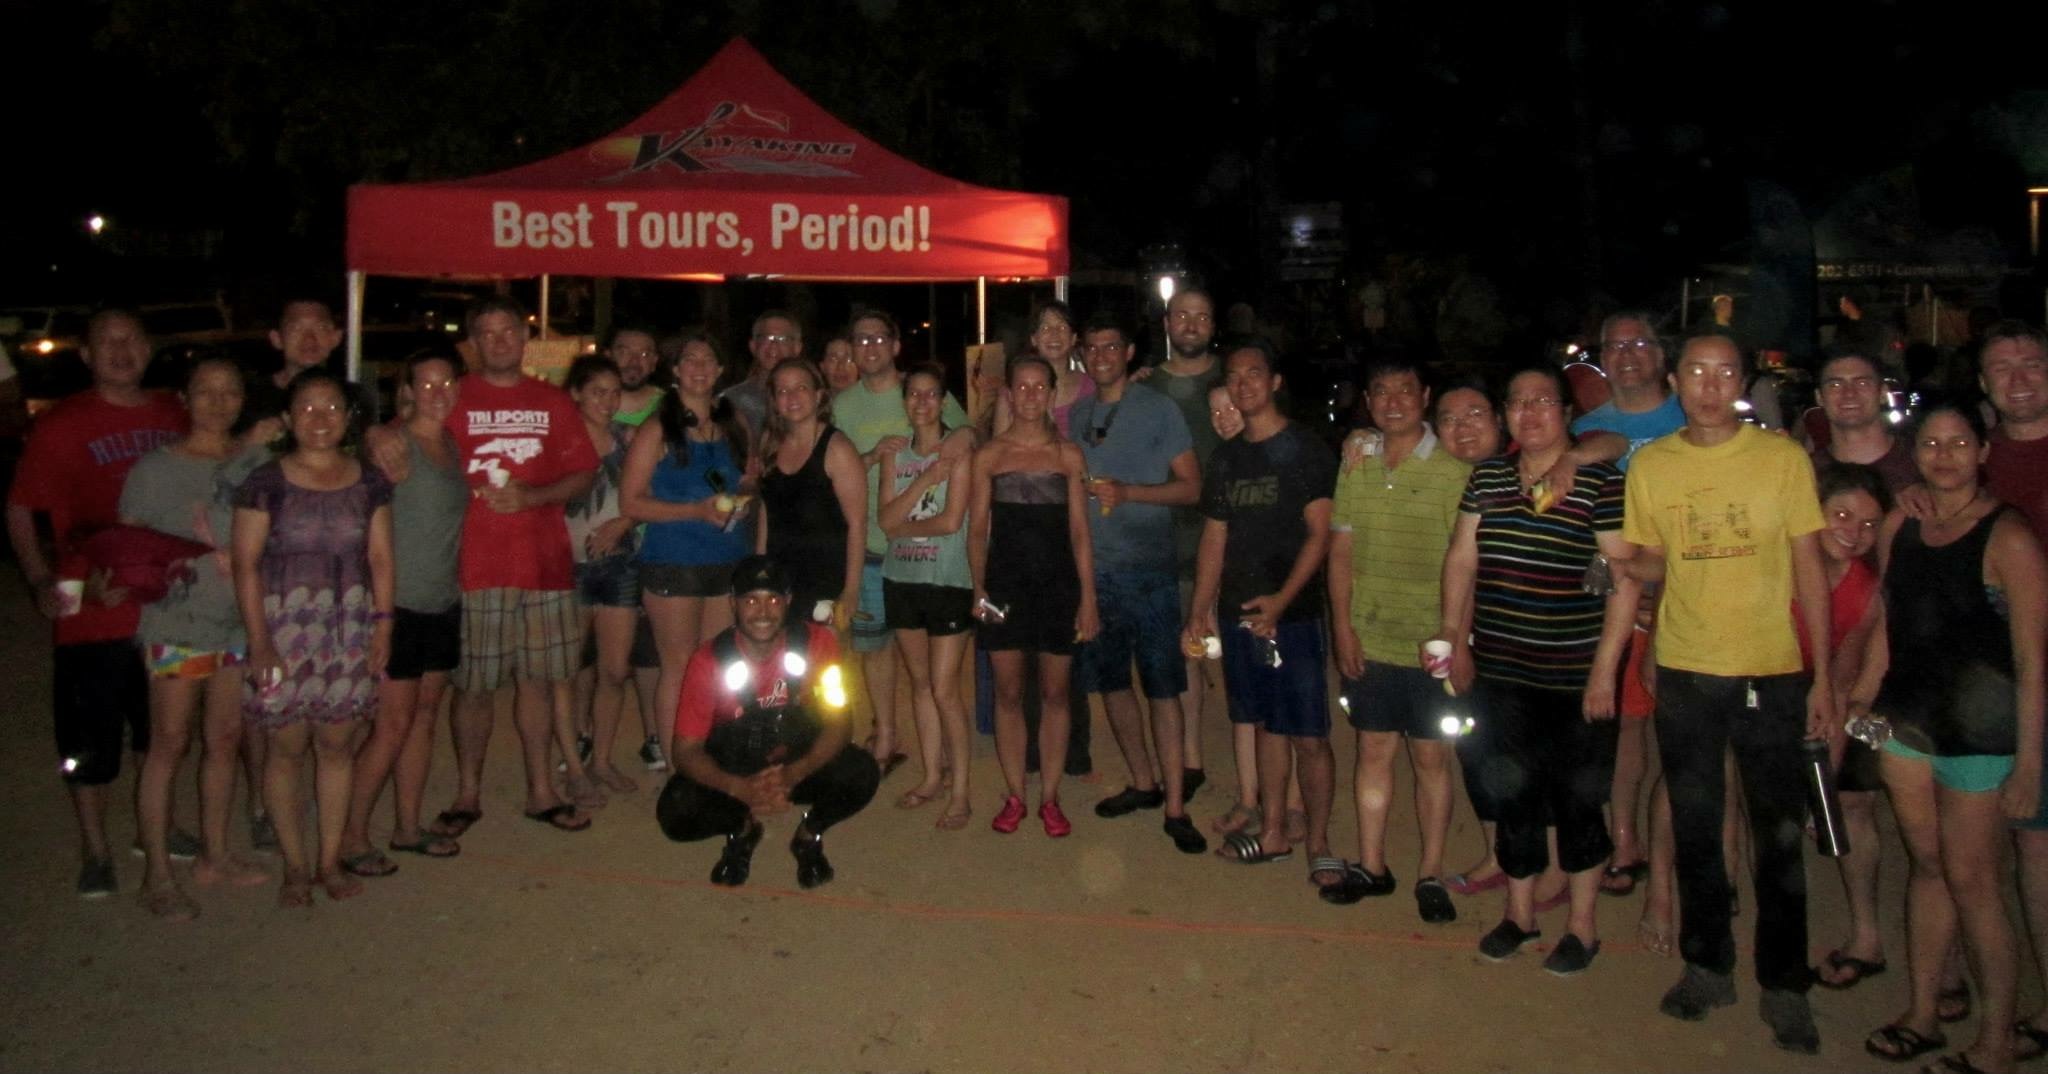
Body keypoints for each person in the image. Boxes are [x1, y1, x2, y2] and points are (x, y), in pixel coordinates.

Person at [1618, 330, 1833, 1052]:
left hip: (1771, 670)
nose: (1710, 386)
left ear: (1742, 382)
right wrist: (1620, 566)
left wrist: (1824, 677)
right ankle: (1707, 965)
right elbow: (1658, 560)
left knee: (1778, 837)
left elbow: (1809, 567)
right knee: (1696, 826)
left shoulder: (1781, 459)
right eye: (1696, 372)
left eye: (1725, 373)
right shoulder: (1653, 464)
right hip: (1687, 668)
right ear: (1675, 380)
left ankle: (1785, 984)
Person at [1432, 366, 1637, 974]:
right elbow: (1462, 558)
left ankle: (1582, 927)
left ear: (1566, 413)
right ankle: (1519, 916)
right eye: (1518, 402)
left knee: (1578, 801)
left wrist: (1604, 673)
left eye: (1543, 400)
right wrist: (1452, 633)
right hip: (1503, 673)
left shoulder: (1601, 482)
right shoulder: (1489, 479)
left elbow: (1623, 581)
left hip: (1574, 674)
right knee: (1512, 794)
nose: (1530, 412)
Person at [1860, 401, 2045, 1074]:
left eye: (1959, 443)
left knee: (1975, 881)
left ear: (1983, 451)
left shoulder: (2009, 537)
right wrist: (1862, 706)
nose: (1944, 456)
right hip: (1909, 722)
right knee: (1929, 867)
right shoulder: (1902, 521)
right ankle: (1923, 1012)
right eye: (1932, 444)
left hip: (1980, 733)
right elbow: (1887, 624)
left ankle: (1996, 1043)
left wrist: (2029, 763)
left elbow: (2031, 660)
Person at [7, 308, 186, 898]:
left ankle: (155, 830)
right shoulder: (62, 424)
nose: (120, 350)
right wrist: (41, 580)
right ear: (86, 354)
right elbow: (21, 508)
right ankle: (95, 849)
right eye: (107, 342)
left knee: (160, 732)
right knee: (89, 739)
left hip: (164, 610)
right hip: (90, 611)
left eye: (131, 339)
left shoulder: (175, 413)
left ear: (149, 348)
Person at [230, 369, 396, 907]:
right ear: (286, 418)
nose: (319, 418)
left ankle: (328, 861)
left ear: (348, 418)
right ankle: (295, 867)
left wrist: (383, 624)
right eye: (306, 408)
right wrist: (259, 641)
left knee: (337, 746)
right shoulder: (265, 483)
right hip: (282, 630)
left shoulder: (370, 482)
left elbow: (381, 557)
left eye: (331, 408)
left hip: (348, 628)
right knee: (286, 749)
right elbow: (246, 565)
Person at [435, 297, 600, 837]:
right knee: (474, 687)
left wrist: (533, 496)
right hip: (475, 565)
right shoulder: (453, 398)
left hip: (544, 565)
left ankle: (541, 790)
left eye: (508, 330)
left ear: (525, 337)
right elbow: (403, 436)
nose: (499, 341)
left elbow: (583, 472)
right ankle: (467, 792)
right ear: (472, 343)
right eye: (487, 333)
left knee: (539, 683)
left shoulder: (551, 400)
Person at [118, 355, 272, 918]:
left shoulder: (256, 462)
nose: (218, 402)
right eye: (205, 391)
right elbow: (129, 549)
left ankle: (215, 854)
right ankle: (158, 874)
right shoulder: (156, 470)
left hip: (237, 623)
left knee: (225, 739)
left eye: (229, 391)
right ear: (184, 399)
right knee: (169, 742)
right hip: (178, 626)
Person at [1321, 356, 1470, 921]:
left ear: (1425, 396)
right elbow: (1341, 550)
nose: (1393, 402)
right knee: (1373, 749)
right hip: (1371, 634)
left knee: (1431, 757)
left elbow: (1468, 562)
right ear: (1368, 401)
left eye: (1405, 391)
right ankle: (1372, 865)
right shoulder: (1357, 462)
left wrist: (1459, 641)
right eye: (1380, 392)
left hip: (1432, 642)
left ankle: (1431, 873)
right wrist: (1343, 628)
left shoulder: (1454, 469)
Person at [1185, 341, 1336, 877]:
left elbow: (1320, 534)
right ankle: (1272, 830)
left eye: (1254, 374)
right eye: (1234, 376)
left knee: (1309, 736)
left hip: (1293, 616)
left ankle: (1318, 842)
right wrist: (1200, 607)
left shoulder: (1306, 448)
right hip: (1240, 614)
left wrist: (1281, 602)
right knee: (1268, 726)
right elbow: (1214, 536)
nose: (1244, 384)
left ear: (1275, 382)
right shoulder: (1227, 458)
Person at [1067, 314, 1206, 854]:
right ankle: (1143, 783)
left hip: (1149, 571)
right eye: (1092, 347)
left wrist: (1129, 493)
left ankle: (1175, 806)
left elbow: (1191, 488)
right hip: (1094, 572)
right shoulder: (1079, 414)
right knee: (1112, 684)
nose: (1100, 355)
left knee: (1163, 688)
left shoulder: (1158, 408)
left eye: (1111, 346)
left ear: (1128, 353)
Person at [656, 555, 880, 889]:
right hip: (736, 764)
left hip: (795, 756)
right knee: (676, 813)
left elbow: (840, 724)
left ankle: (809, 835)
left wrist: (794, 774)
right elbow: (686, 751)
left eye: (773, 600)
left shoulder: (819, 644)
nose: (762, 612)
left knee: (861, 772)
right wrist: (739, 789)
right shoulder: (708, 660)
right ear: (733, 603)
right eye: (751, 601)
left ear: (788, 601)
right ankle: (743, 829)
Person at [831, 310, 968, 771]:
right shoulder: (842, 405)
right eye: (861, 339)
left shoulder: (920, 390)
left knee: (933, 664)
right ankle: (887, 735)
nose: (869, 347)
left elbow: (967, 432)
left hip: (932, 553)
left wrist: (959, 442)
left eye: (878, 339)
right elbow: (832, 467)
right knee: (875, 648)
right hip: (871, 544)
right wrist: (872, 457)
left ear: (895, 345)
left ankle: (942, 748)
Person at [346, 350, 466, 872]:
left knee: (424, 719)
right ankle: (350, 837)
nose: (439, 392)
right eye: (427, 384)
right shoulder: (393, 443)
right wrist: (371, 433)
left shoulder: (450, 442)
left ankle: (407, 827)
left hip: (442, 600)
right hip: (398, 603)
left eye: (447, 382)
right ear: (408, 391)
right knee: (391, 725)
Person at [970, 354, 1099, 836]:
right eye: (1021, 386)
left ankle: (1050, 796)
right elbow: (976, 531)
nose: (1029, 395)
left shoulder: (1069, 456)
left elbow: (1081, 534)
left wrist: (1088, 598)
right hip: (1003, 588)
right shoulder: (990, 455)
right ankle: (1014, 795)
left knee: (1056, 693)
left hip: (1058, 588)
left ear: (1051, 392)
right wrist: (978, 588)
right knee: (1007, 693)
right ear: (1009, 393)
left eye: (1038, 386)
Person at [623, 331, 753, 775]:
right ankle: (678, 767)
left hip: (726, 558)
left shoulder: (733, 423)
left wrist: (743, 501)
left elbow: (748, 480)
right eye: (690, 360)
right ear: (676, 370)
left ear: (720, 370)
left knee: (714, 663)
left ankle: (709, 758)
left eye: (708, 360)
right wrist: (696, 510)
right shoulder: (658, 428)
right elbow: (631, 502)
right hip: (673, 560)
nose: (699, 367)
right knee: (678, 665)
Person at [1973, 322, 2048, 1060]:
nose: (2019, 379)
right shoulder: (1974, 461)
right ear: (1984, 384)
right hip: (2004, 684)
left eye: (2032, 364)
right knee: (2028, 847)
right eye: (2003, 367)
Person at [1802, 464, 1893, 991]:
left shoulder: (1864, 587)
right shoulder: (1783, 562)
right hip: (1780, 691)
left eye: (1869, 524)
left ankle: (1867, 935)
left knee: (1854, 805)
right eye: (1840, 514)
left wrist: (1826, 786)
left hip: (1856, 700)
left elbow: (1843, 684)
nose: (1853, 532)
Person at [877, 364, 977, 828]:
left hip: (947, 580)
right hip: (901, 579)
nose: (922, 402)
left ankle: (961, 792)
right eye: (914, 394)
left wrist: (902, 524)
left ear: (943, 400)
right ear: (904, 401)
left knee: (945, 689)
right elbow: (884, 521)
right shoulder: (895, 454)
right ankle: (932, 776)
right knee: (919, 685)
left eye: (931, 394)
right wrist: (925, 479)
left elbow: (952, 521)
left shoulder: (959, 449)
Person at [1148, 289, 1225, 797]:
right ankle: (1192, 760)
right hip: (1171, 538)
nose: (1191, 325)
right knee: (1188, 649)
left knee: (1239, 653)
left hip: (1235, 534)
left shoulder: (1236, 378)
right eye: (1182, 316)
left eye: (1201, 316)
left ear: (1213, 325)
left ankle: (1261, 771)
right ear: (1167, 323)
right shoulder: (1146, 385)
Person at [561, 356, 641, 796]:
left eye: (614, 393)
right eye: (597, 392)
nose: (607, 402)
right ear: (576, 393)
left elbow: (647, 492)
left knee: (614, 670)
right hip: (567, 566)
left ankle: (604, 759)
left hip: (619, 564)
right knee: (570, 670)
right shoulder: (557, 439)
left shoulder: (627, 439)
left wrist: (623, 523)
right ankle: (574, 757)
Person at [602, 323, 669, 773]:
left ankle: (654, 735)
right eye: (625, 350)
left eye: (645, 353)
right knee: (592, 656)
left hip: (652, 542)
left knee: (651, 651)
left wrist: (627, 521)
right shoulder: (587, 402)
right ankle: (586, 737)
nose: (634, 360)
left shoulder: (669, 408)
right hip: (592, 546)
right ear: (609, 352)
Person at [757, 360, 864, 636]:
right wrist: (760, 570)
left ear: (818, 395)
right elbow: (767, 514)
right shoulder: (770, 445)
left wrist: (851, 591)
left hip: (826, 582)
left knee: (824, 660)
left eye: (801, 388)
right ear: (774, 401)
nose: (791, 396)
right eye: (782, 391)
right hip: (780, 581)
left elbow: (857, 524)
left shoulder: (837, 449)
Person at [240, 298, 377, 436]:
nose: (309, 339)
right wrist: (247, 441)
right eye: (296, 328)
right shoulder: (249, 398)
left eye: (320, 328)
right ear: (277, 339)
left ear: (336, 337)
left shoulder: (354, 397)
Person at [718, 310, 803, 439]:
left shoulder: (811, 399)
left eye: (783, 339)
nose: (774, 345)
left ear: (797, 348)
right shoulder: (731, 400)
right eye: (766, 338)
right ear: (753, 346)